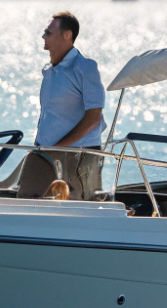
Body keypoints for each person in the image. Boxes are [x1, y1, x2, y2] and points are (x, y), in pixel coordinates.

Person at [18, 11, 105, 200]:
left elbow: (94, 117)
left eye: (48, 33)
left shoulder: (85, 67)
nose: (43, 36)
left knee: (75, 210)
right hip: (45, 153)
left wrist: (58, 148)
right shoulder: (50, 71)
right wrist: (46, 150)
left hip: (75, 156)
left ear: (67, 35)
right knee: (26, 203)